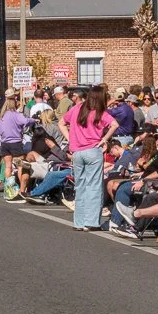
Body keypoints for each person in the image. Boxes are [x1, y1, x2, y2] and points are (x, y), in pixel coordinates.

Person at [59, 85, 119, 230]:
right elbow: (114, 124)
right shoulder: (100, 112)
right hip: (93, 150)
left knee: (80, 186)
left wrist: (70, 139)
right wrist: (104, 139)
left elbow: (61, 123)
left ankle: (79, 222)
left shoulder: (77, 108)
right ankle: (91, 221)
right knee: (94, 186)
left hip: (77, 152)